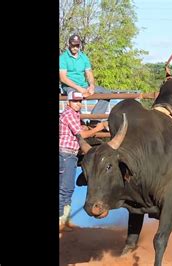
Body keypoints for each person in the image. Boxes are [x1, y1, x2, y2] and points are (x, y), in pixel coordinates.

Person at [59, 91, 107, 232]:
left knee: (67, 188)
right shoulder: (69, 114)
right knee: (65, 188)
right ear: (69, 102)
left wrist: (85, 128)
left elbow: (80, 130)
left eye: (80, 101)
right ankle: (62, 220)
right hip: (66, 154)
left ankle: (65, 220)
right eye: (75, 101)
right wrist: (99, 128)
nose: (78, 104)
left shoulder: (72, 114)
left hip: (68, 154)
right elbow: (82, 135)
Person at [59, 34, 110, 127]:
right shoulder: (63, 58)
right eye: (73, 45)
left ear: (80, 45)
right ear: (69, 44)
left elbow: (89, 73)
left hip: (83, 85)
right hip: (69, 86)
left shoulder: (84, 57)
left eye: (77, 45)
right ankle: (80, 122)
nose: (75, 47)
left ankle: (94, 121)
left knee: (106, 93)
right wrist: (80, 89)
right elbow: (63, 78)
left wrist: (91, 86)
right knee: (75, 96)